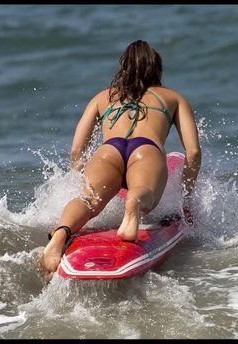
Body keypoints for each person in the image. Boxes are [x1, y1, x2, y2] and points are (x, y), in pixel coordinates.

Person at [37, 40, 201, 282]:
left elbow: (76, 150)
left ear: (123, 68)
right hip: (145, 150)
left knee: (89, 201)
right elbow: (193, 152)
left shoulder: (102, 98)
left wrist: (83, 178)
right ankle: (135, 202)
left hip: (108, 151)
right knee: (145, 194)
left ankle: (62, 233)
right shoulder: (173, 98)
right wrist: (186, 198)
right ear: (157, 69)